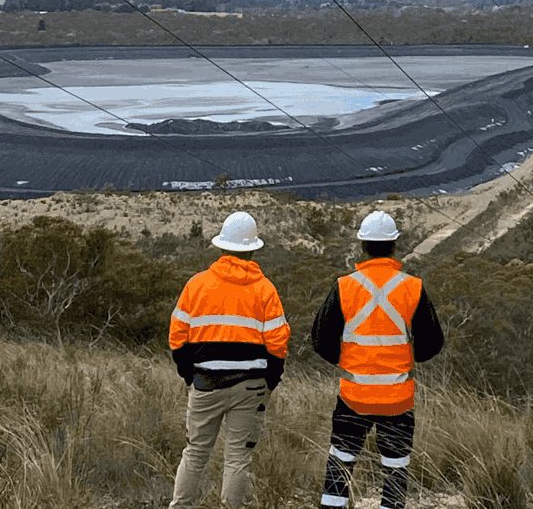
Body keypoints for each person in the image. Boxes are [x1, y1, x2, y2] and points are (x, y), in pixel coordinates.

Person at [312, 210, 444, 509]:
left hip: (353, 395)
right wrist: (408, 357)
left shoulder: (344, 286)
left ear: (363, 246)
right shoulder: (413, 287)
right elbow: (431, 344)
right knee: (395, 469)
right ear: (394, 246)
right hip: (398, 396)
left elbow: (321, 340)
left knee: (341, 463)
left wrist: (348, 361)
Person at [168, 211, 290, 509]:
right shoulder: (265, 289)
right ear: (252, 250)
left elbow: (177, 337)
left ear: (222, 247)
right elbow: (278, 344)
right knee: (238, 457)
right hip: (250, 386)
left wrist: (190, 375)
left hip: (205, 383)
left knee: (195, 452)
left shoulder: (197, 284)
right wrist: (270, 382)